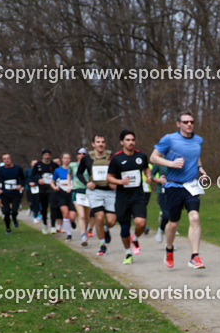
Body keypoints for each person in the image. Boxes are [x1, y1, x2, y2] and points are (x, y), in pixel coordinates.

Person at [149, 111, 206, 269]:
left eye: (192, 122)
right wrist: (171, 164)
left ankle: (195, 256)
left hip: (191, 186)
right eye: (186, 122)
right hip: (173, 186)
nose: (189, 124)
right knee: (173, 223)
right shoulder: (169, 139)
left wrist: (200, 168)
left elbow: (196, 156)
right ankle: (169, 249)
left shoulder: (198, 140)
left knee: (194, 218)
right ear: (178, 124)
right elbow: (153, 157)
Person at [107, 130, 149, 264]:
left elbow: (146, 168)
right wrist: (121, 182)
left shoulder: (141, 156)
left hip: (138, 196)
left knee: (141, 222)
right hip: (122, 198)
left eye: (132, 140)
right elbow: (109, 178)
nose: (131, 142)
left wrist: (148, 176)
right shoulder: (116, 158)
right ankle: (128, 253)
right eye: (127, 140)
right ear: (122, 142)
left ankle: (135, 238)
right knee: (124, 228)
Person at [81, 135, 116, 256]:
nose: (101, 144)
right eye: (98, 142)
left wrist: (115, 182)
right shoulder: (87, 158)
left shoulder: (112, 156)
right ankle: (102, 246)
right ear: (93, 144)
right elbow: (79, 173)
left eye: (103, 142)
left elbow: (118, 170)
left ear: (105, 144)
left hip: (110, 192)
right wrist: (87, 183)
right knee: (99, 217)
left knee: (111, 221)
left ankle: (105, 229)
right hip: (95, 192)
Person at [0, 153, 25, 233]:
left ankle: (14, 218)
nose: (7, 160)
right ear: (3, 160)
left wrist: (20, 185)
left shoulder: (17, 168)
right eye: (5, 159)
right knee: (6, 211)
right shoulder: (0, 170)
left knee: (14, 210)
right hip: (5, 193)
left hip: (15, 193)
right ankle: (8, 228)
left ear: (11, 159)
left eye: (8, 158)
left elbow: (23, 178)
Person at [30, 150, 58, 233]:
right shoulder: (38, 165)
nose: (47, 156)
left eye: (48, 155)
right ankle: (45, 224)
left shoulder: (54, 165)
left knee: (53, 206)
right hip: (42, 189)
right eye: (45, 155)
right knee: (44, 208)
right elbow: (32, 176)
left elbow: (58, 175)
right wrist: (38, 180)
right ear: (42, 156)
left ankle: (53, 226)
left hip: (51, 188)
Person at [70, 148, 91, 245]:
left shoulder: (89, 165)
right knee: (81, 215)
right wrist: (69, 184)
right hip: (76, 191)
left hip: (88, 191)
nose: (81, 155)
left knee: (87, 216)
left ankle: (85, 231)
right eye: (79, 153)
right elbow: (69, 174)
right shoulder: (72, 165)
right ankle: (83, 236)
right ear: (77, 155)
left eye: (84, 153)